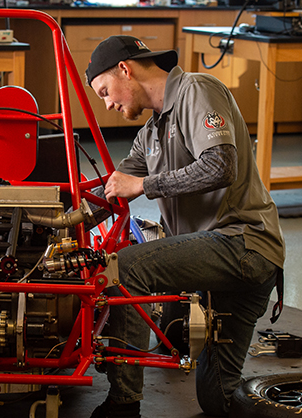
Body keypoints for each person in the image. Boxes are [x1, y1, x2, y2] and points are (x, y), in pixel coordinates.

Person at [85, 36, 285, 418]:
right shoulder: (151, 134)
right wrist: (53, 215)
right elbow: (113, 189)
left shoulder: (197, 90)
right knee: (217, 401)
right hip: (215, 264)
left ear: (125, 70)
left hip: (244, 245)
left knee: (125, 267)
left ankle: (123, 406)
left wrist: (144, 185)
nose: (108, 104)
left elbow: (221, 166)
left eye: (106, 91)